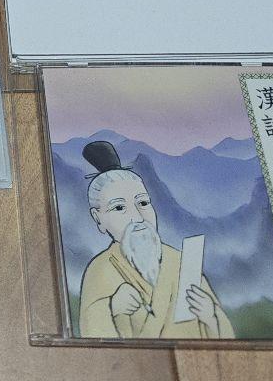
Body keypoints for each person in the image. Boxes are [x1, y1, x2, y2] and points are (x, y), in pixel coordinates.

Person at [78, 140, 233, 339]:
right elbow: (91, 333)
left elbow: (225, 334)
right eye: (119, 208)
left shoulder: (181, 262)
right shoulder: (100, 270)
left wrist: (210, 317)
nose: (137, 217)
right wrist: (111, 306)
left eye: (143, 203)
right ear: (99, 219)